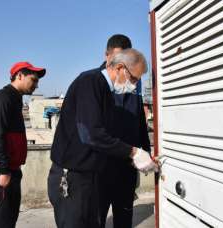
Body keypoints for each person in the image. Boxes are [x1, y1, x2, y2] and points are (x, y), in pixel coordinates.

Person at [48, 48, 157, 228]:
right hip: (72, 178)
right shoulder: (90, 82)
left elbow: (110, 135)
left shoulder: (106, 90)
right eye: (134, 78)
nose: (135, 84)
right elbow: (92, 134)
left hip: (90, 177)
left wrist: (139, 156)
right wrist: (133, 152)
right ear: (121, 68)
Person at [0, 61, 46, 228]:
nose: (36, 85)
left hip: (10, 169)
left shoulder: (15, 99)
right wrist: (3, 170)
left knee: (9, 220)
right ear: (19, 76)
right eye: (34, 80)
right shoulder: (1, 99)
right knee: (3, 222)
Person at [99, 35, 151, 228]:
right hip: (102, 167)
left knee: (124, 217)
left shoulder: (133, 83)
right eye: (117, 59)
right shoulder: (96, 82)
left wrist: (146, 153)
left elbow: (139, 123)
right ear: (107, 56)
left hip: (127, 165)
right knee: (97, 216)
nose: (121, 65)